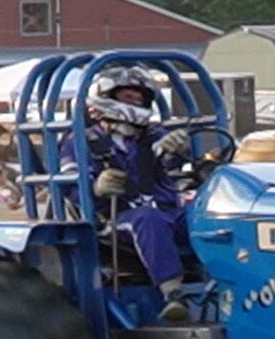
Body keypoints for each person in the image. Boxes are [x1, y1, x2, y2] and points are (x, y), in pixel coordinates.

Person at [58, 66, 192, 323]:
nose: (136, 102)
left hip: (168, 213)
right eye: (128, 97)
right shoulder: (81, 141)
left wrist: (177, 150)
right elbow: (70, 187)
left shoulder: (153, 135)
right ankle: (173, 294)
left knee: (202, 216)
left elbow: (174, 165)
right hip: (114, 218)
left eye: (140, 98)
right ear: (107, 97)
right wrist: (96, 187)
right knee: (146, 219)